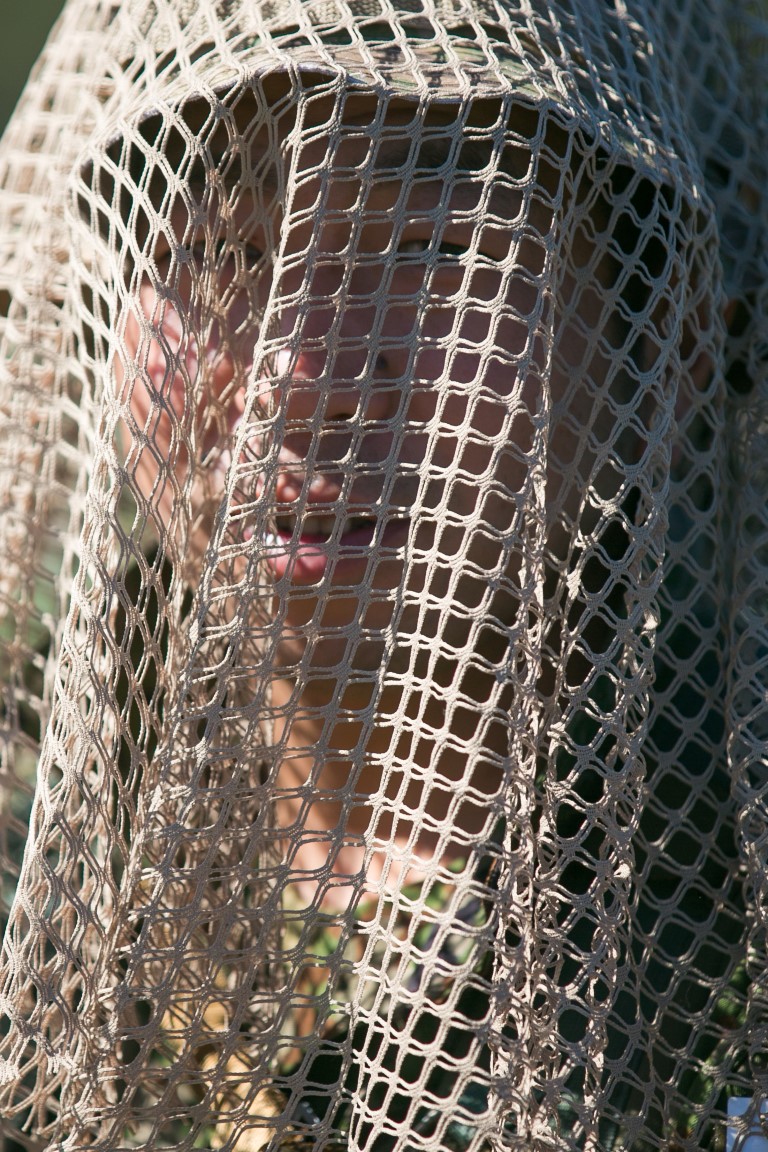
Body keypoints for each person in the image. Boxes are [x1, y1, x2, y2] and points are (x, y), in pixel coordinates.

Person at [0, 1, 764, 1150]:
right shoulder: (38, 875)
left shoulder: (718, 953)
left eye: (431, 249)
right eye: (222, 249)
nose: (302, 373)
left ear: (669, 343)